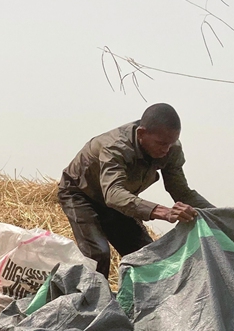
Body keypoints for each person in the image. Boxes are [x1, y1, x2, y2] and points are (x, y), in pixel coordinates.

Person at [58, 103, 213, 277]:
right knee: (98, 254)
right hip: (81, 194)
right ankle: (90, 301)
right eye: (161, 143)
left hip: (119, 201)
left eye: (170, 144)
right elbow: (113, 194)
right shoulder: (115, 147)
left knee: (146, 254)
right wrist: (163, 212)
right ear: (141, 133)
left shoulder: (171, 148)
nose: (166, 149)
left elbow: (181, 191)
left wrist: (219, 216)